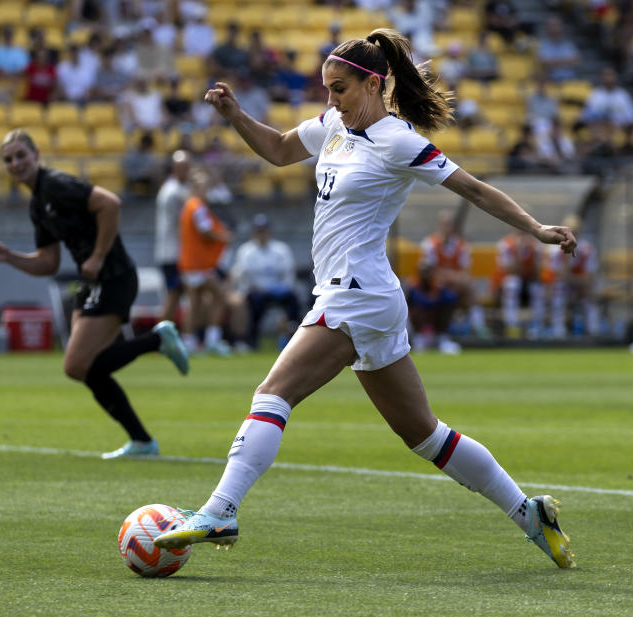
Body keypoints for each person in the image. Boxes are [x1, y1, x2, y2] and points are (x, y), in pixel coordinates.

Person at [153, 28, 577, 569]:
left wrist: (536, 228)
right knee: (424, 435)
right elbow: (281, 150)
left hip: (356, 292)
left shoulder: (399, 140)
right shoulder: (334, 124)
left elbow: (472, 188)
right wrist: (235, 115)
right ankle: (529, 513)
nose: (331, 100)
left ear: (373, 84)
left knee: (272, 395)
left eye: (340, 90)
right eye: (328, 90)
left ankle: (219, 509)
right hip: (365, 296)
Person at [0, 129, 190, 459]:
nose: (15, 163)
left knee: (76, 365)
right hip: (94, 282)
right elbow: (48, 263)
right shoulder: (38, 204)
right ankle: (141, 441)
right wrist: (9, 256)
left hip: (113, 275)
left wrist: (96, 255)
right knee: (85, 368)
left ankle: (157, 340)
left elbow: (110, 203)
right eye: (8, 159)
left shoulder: (56, 185)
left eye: (21, 155)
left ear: (36, 155)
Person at [177, 169, 232, 355]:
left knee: (194, 302)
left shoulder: (189, 206)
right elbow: (206, 232)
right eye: (203, 188)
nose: (206, 191)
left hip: (191, 262)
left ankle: (190, 341)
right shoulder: (197, 206)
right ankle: (211, 339)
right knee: (218, 296)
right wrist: (223, 236)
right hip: (199, 264)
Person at [227, 213, 301, 352]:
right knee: (255, 303)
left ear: (269, 231)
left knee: (293, 300)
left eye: (264, 230)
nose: (262, 234)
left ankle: (292, 335)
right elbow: (242, 275)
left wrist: (285, 288)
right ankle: (252, 339)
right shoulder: (246, 251)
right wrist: (250, 289)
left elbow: (288, 273)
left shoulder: (281, 249)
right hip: (257, 291)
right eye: (259, 230)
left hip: (278, 290)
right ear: (254, 232)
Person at [418, 208, 489, 341]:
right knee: (446, 287)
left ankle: (477, 327)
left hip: (456, 284)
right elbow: (428, 270)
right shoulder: (430, 243)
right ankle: (444, 330)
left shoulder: (461, 245)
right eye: (444, 224)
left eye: (449, 224)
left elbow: (465, 270)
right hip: (436, 284)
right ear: (439, 225)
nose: (447, 228)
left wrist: (453, 277)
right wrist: (451, 276)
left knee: (468, 286)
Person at [154, 149, 192, 324]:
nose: (186, 170)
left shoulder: (181, 189)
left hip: (177, 251)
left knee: (179, 295)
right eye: (182, 166)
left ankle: (179, 336)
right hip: (172, 252)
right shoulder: (173, 192)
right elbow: (185, 221)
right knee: (174, 294)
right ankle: (161, 337)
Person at [493, 230, 546, 339]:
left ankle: (537, 326)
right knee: (512, 284)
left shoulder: (535, 246)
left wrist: (533, 254)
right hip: (506, 284)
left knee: (538, 289)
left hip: (528, 283)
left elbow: (537, 272)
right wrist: (518, 252)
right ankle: (511, 325)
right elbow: (508, 270)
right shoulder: (506, 244)